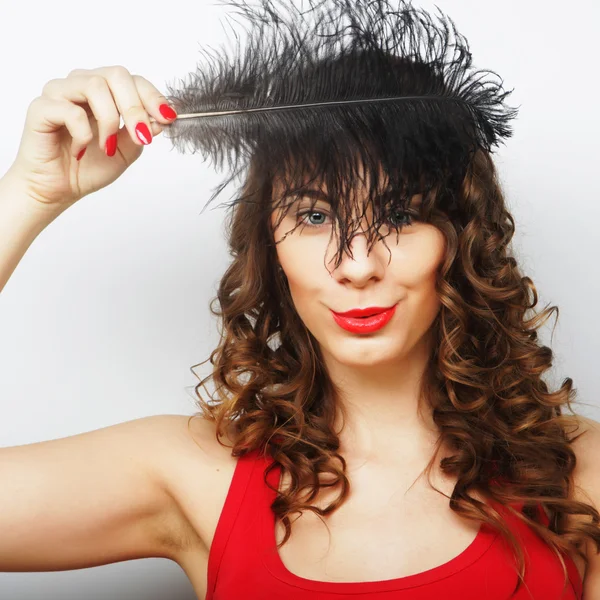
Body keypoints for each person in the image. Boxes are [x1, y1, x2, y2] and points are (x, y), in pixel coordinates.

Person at [1, 14, 600, 600]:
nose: (359, 264)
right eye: (315, 216)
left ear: (461, 236)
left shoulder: (581, 477)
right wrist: (30, 192)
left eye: (398, 215)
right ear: (269, 243)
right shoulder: (192, 475)